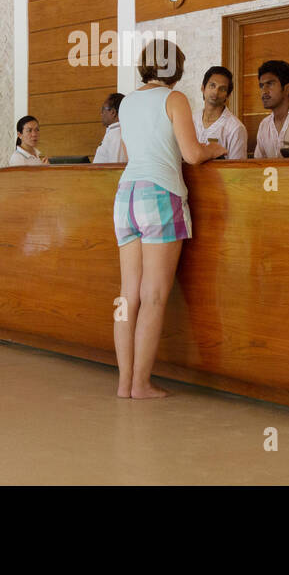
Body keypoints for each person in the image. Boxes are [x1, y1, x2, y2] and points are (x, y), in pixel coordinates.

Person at [113, 40, 225, 401]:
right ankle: (141, 385)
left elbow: (131, 152)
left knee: (127, 296)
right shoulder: (174, 100)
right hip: (159, 194)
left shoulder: (127, 102)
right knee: (155, 296)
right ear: (174, 69)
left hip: (125, 195)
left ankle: (123, 383)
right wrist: (215, 148)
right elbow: (192, 154)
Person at [194, 66, 248, 160]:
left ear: (228, 95)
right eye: (212, 85)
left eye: (222, 89)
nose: (216, 92)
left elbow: (237, 170)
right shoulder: (190, 120)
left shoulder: (235, 128)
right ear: (203, 88)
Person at [92, 93, 128, 164]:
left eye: (103, 110)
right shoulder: (115, 132)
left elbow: (116, 168)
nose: (101, 114)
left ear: (113, 112)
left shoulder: (117, 135)